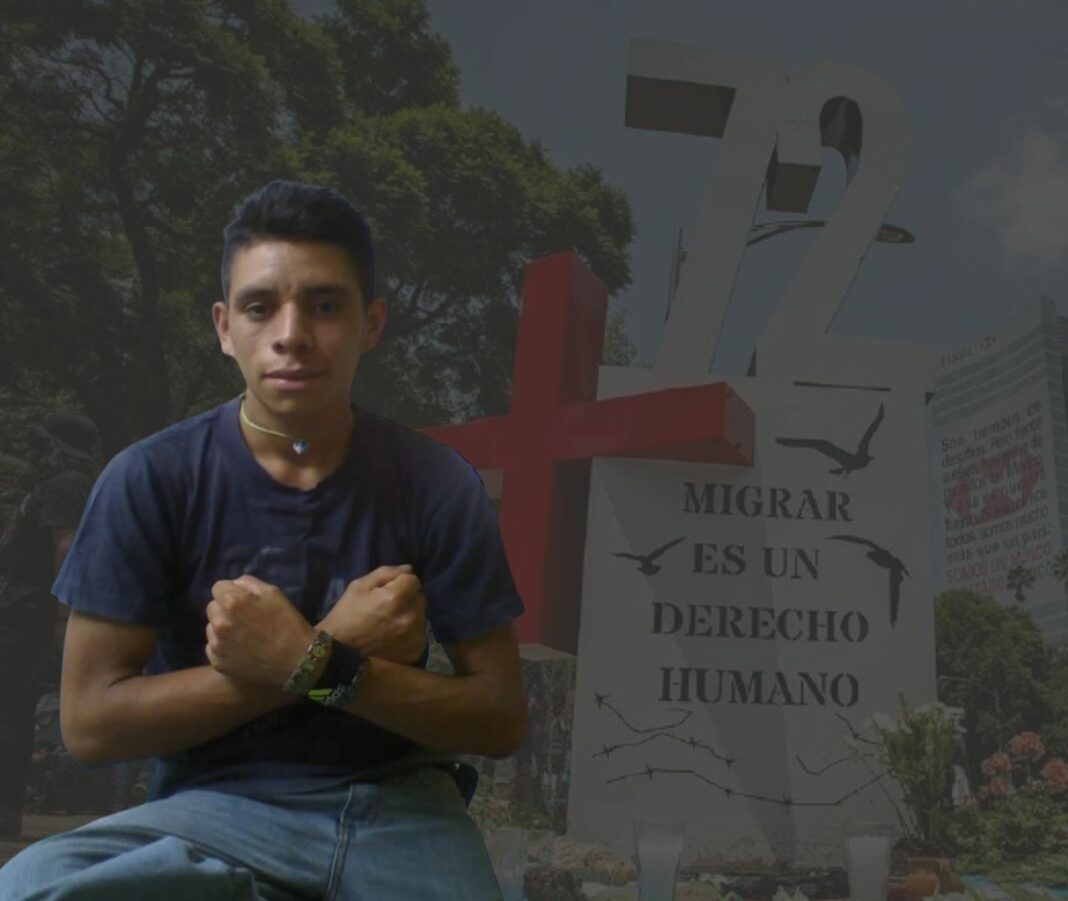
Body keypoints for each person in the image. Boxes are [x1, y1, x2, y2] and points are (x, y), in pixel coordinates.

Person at [0, 180, 528, 899]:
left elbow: (499, 717)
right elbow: (90, 724)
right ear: (224, 327)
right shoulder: (149, 478)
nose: (291, 333)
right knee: (31, 885)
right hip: (211, 811)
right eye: (260, 307)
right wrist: (323, 652)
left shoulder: (437, 483)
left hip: (401, 810)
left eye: (325, 305)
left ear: (372, 322)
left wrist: (311, 661)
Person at [0, 413, 101, 840]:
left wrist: (63, 614)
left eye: (43, 443)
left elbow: (65, 543)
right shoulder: (58, 484)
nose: (35, 451)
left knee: (8, 708)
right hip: (25, 605)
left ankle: (5, 811)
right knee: (12, 708)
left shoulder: (64, 485)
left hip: (30, 610)